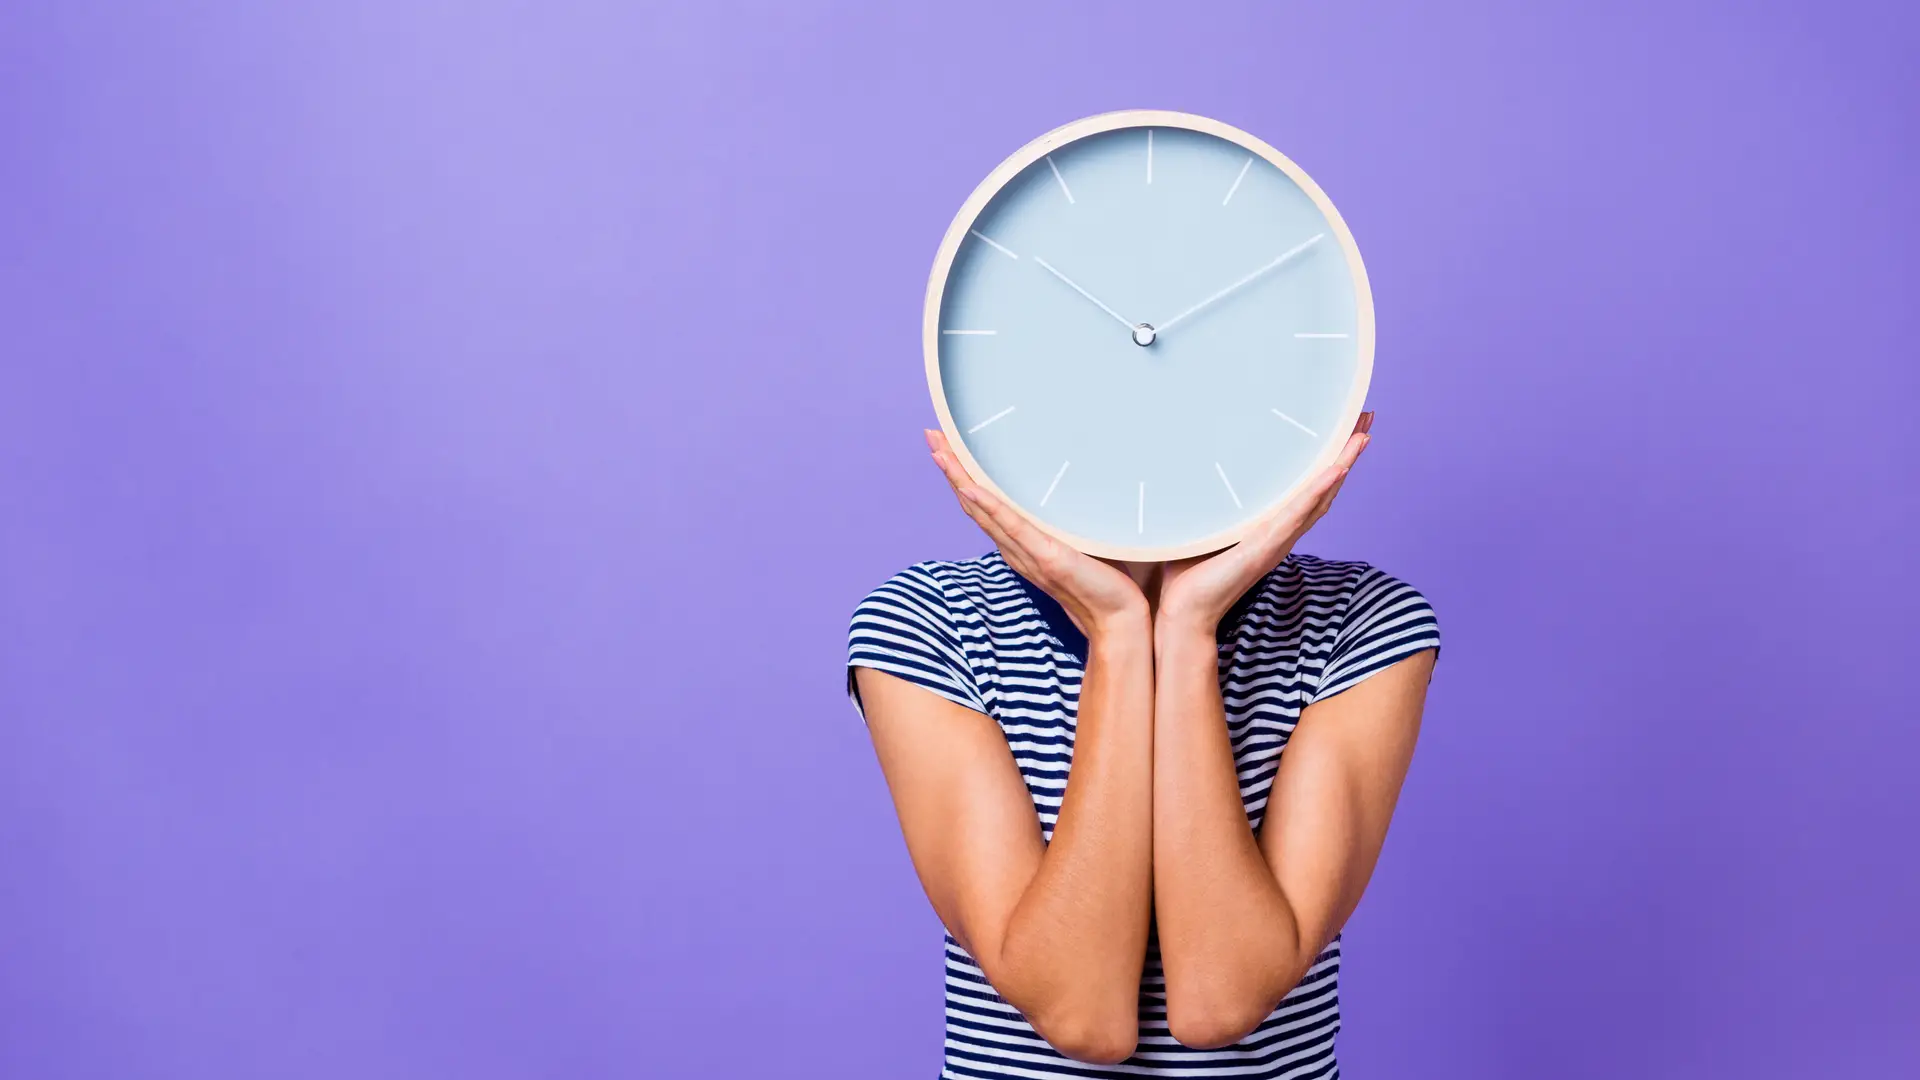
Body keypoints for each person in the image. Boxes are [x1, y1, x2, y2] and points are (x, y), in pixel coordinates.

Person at [846, 412, 1439, 1079]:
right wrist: (1119, 637)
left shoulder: (1362, 621)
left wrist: (1187, 631)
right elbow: (1080, 1016)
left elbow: (1220, 1004)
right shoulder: (931, 623)